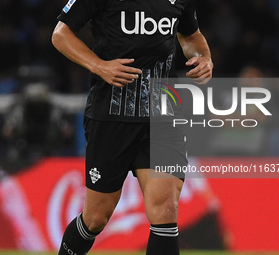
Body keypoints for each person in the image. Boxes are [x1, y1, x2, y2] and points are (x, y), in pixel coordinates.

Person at [52, 0, 213, 254]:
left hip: (163, 113)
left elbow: (191, 35)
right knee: (95, 218)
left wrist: (203, 57)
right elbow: (61, 34)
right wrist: (99, 65)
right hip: (112, 115)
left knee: (166, 210)